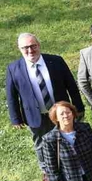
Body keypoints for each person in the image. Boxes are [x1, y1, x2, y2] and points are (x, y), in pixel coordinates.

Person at [8, 33, 85, 170]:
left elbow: (71, 85)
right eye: (25, 48)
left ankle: (77, 165)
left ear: (39, 45)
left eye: (33, 46)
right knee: (41, 144)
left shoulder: (56, 61)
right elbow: (11, 95)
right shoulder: (14, 68)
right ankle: (47, 170)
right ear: (19, 49)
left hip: (61, 113)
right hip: (36, 115)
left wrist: (78, 107)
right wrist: (15, 118)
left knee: (69, 137)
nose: (30, 50)